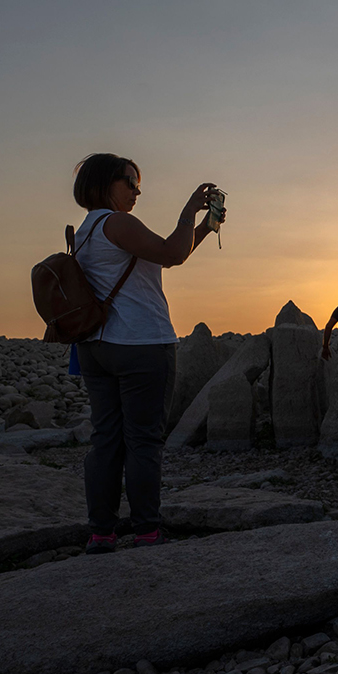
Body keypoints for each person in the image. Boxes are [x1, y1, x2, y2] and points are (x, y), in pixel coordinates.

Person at [70, 153, 223, 553]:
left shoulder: (87, 230)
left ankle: (102, 532)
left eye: (138, 185)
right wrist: (189, 208)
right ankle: (146, 531)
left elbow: (173, 251)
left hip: (96, 348)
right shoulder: (118, 222)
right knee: (143, 441)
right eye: (129, 183)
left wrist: (205, 227)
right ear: (104, 183)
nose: (137, 191)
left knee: (106, 440)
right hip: (140, 345)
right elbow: (172, 255)